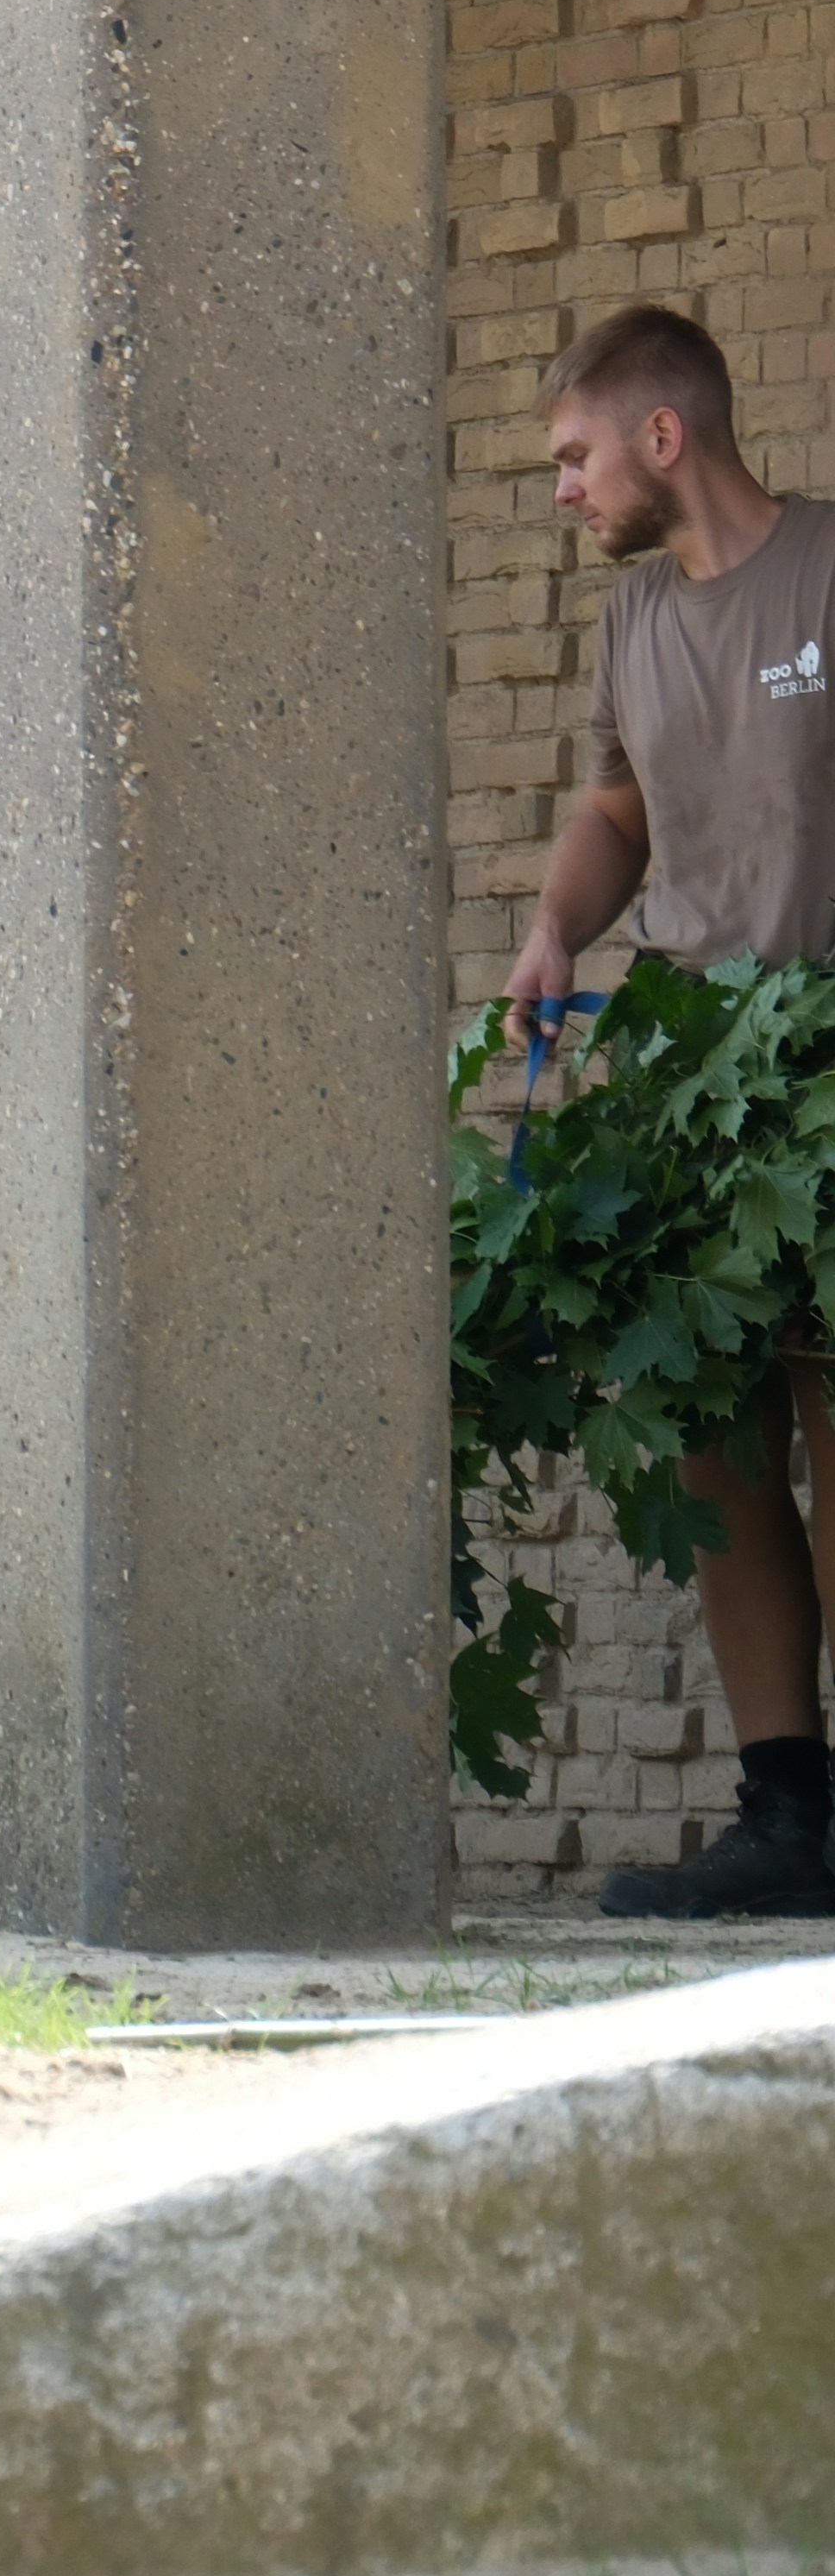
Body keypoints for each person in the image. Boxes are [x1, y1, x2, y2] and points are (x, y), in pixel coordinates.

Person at [505, 304, 835, 1918]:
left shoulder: (829, 572)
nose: (561, 489)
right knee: (715, 1444)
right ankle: (786, 1821)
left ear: (661, 436)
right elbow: (615, 813)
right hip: (698, 1083)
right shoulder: (635, 621)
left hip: (832, 1067)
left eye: (573, 456)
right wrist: (559, 920)